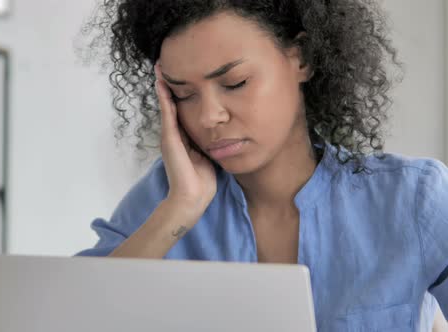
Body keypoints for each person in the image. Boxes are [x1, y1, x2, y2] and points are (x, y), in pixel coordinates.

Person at [74, 0, 448, 330]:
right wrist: (180, 208)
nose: (208, 116)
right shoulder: (165, 198)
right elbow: (71, 319)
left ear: (301, 59)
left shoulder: (414, 198)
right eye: (183, 94)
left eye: (234, 82)